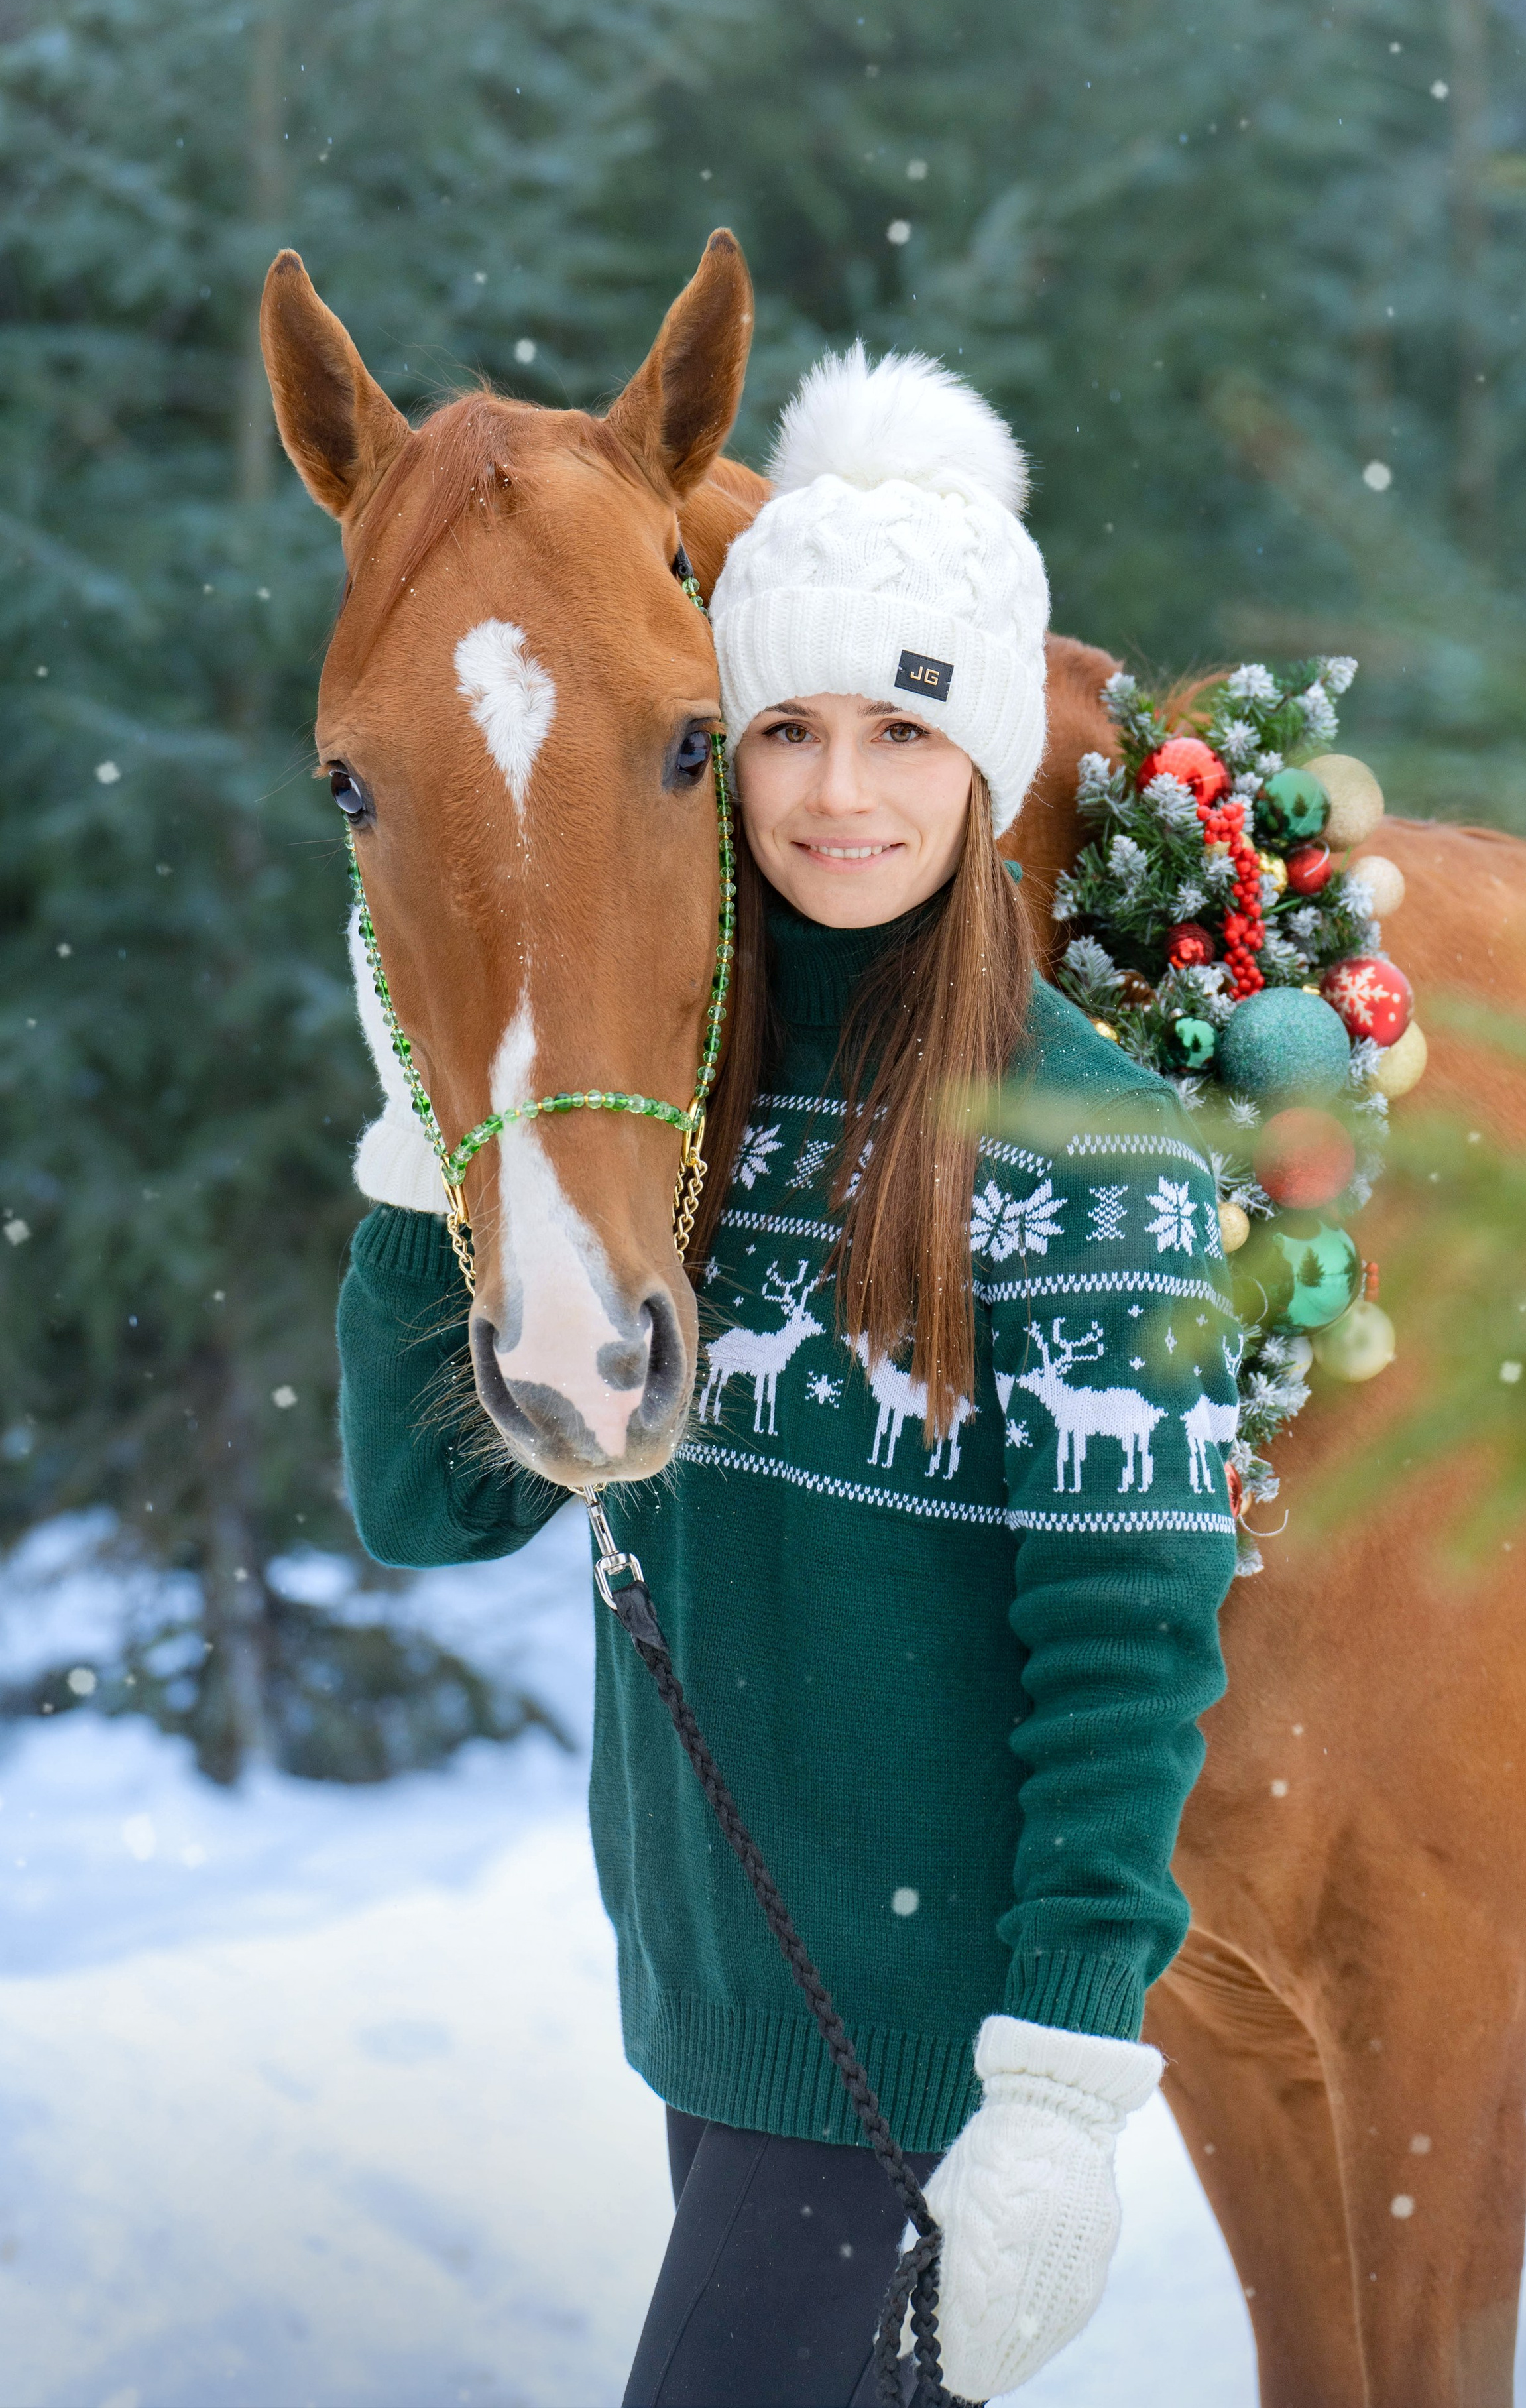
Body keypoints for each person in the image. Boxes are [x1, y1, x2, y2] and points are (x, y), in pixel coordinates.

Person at [335, 345, 1241, 2405]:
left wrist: (1064, 2093)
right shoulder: (679, 1111)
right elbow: (427, 1501)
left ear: (984, 761)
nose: (842, 790)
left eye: (907, 732)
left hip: (912, 2068)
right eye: (792, 729)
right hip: (720, 2018)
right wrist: (425, 1127)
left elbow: (1128, 1654)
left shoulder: (1080, 1152)